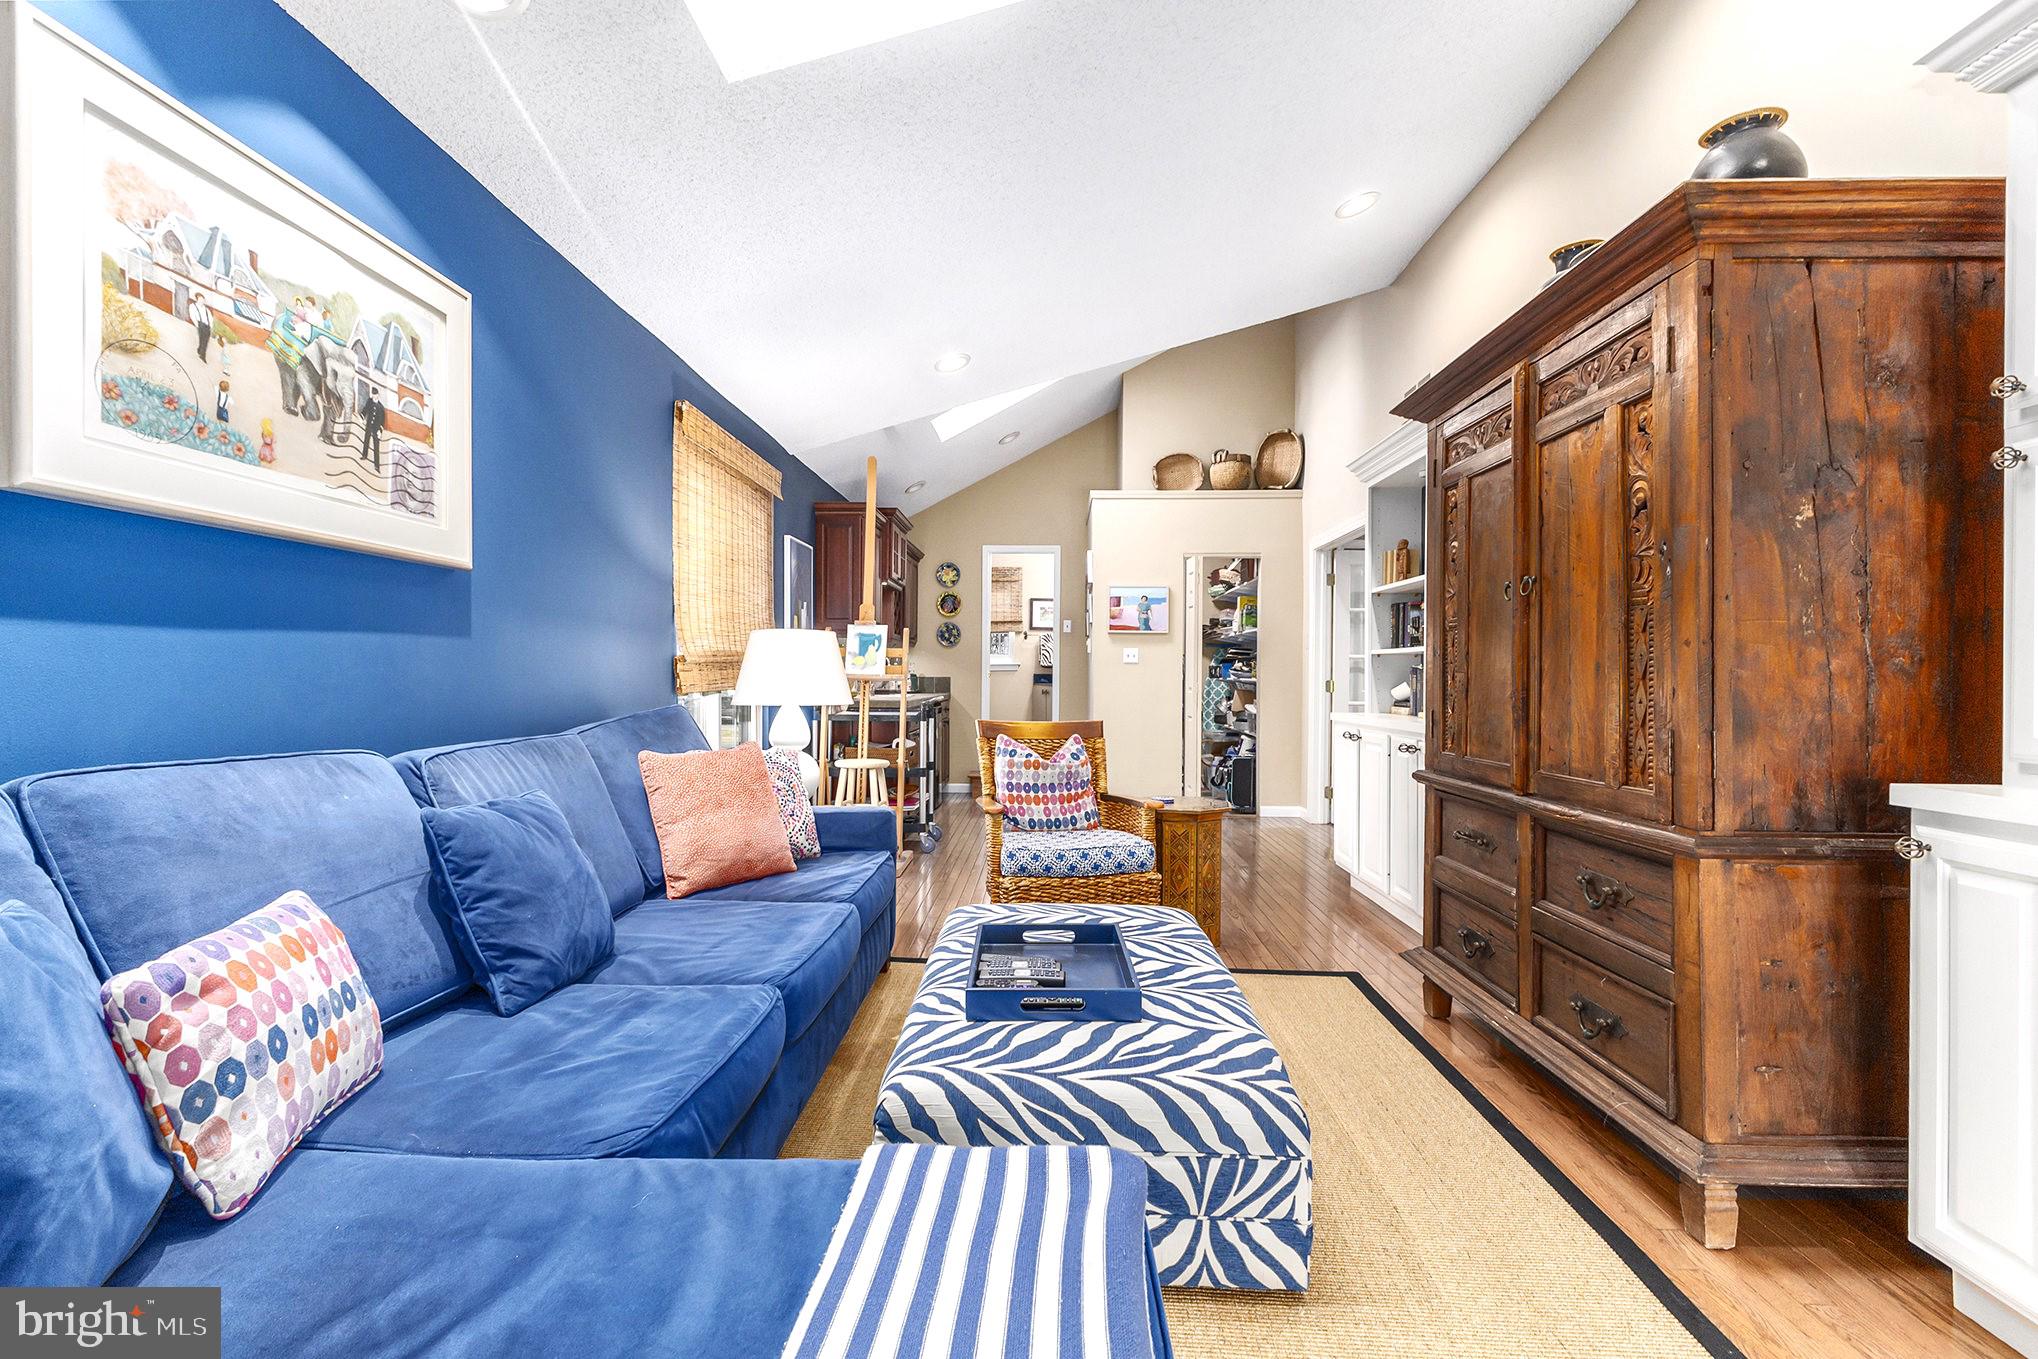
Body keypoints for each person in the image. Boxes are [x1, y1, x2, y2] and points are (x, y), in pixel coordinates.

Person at [361, 388, 386, 471]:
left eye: (375, 395)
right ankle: (364, 455)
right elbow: (365, 409)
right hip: (369, 425)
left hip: (376, 428)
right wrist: (362, 417)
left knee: (376, 446)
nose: (374, 396)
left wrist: (380, 431)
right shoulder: (369, 401)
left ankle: (377, 466)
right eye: (373, 394)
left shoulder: (381, 408)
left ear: (378, 395)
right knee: (366, 440)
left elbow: (382, 422)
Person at [191, 292, 213, 362]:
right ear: (197, 299)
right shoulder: (193, 306)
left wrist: (210, 326)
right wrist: (197, 325)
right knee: (202, 339)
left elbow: (210, 318)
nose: (202, 301)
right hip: (200, 324)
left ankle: (201, 352)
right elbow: (192, 315)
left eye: (203, 299)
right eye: (200, 299)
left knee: (206, 341)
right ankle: (202, 354)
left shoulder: (206, 309)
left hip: (207, 326)